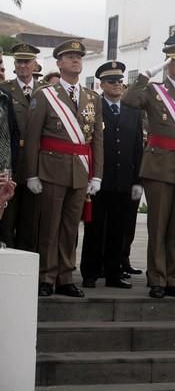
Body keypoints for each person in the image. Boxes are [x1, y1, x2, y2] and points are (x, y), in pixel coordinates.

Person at [122, 39, 175, 299]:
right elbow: (129, 100)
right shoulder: (154, 90)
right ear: (168, 64)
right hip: (159, 165)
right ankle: (156, 278)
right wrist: (147, 75)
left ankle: (173, 278)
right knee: (158, 225)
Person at [26, 39, 104, 298]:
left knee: (71, 227)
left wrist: (97, 175)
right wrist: (32, 173)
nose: (75, 60)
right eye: (69, 57)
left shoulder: (92, 97)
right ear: (59, 63)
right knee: (49, 226)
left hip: (80, 171)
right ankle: (46, 276)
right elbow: (33, 136)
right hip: (51, 169)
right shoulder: (45, 95)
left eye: (78, 57)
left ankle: (65, 277)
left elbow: (97, 140)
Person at [80, 61, 143, 290]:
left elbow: (138, 147)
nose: (117, 85)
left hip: (124, 179)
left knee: (119, 229)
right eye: (112, 81)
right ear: (101, 84)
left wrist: (137, 180)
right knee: (95, 228)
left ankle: (114, 273)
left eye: (120, 81)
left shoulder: (133, 111)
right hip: (100, 179)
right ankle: (90, 271)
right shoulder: (94, 107)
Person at [0, 43, 38, 251]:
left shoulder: (45, 91)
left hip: (36, 165)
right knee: (7, 220)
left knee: (30, 222)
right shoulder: (4, 90)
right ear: (14, 65)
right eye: (19, 62)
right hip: (11, 163)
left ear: (35, 64)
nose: (23, 65)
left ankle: (28, 270)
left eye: (27, 61)